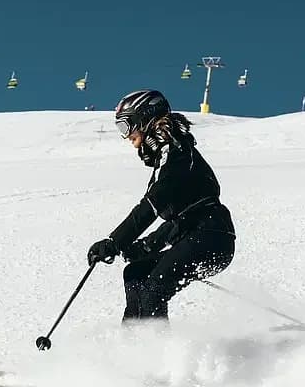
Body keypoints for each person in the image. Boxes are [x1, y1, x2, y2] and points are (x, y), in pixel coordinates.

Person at [87, 89, 236, 323]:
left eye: (126, 126)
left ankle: (155, 352)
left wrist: (115, 241)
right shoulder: (167, 156)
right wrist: (145, 246)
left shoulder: (177, 152)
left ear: (144, 119)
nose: (126, 136)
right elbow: (181, 218)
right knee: (135, 273)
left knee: (153, 290)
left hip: (211, 238)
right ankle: (132, 346)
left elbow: (153, 204)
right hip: (198, 236)